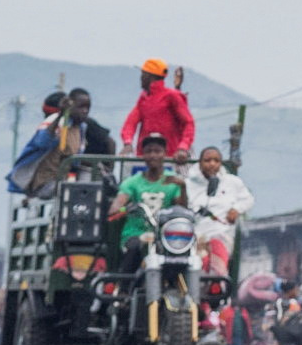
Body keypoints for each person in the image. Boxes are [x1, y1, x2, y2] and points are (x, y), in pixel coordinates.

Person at [108, 133, 187, 266]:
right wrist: (125, 208)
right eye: (148, 151)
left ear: (165, 153)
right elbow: (115, 208)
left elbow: (182, 209)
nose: (153, 155)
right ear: (143, 155)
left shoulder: (173, 180)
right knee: (136, 248)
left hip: (166, 237)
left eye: (157, 151)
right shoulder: (132, 182)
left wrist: (183, 187)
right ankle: (124, 286)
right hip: (136, 234)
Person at [184, 146, 252, 279]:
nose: (212, 164)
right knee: (198, 268)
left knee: (217, 270)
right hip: (195, 237)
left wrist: (236, 209)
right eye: (207, 160)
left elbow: (248, 199)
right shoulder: (188, 184)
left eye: (216, 160)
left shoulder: (232, 182)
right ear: (200, 163)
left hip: (222, 233)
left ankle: (217, 293)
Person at [120, 60, 196, 157]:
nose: (141, 78)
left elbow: (188, 123)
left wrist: (183, 147)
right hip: (146, 156)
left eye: (143, 75)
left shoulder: (172, 96)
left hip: (172, 157)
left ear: (149, 76)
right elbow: (130, 123)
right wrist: (128, 142)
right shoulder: (143, 99)